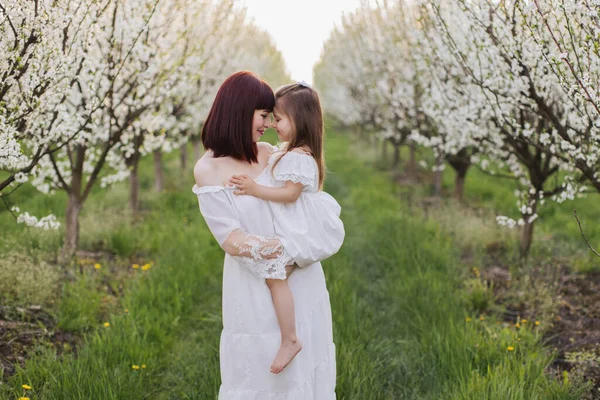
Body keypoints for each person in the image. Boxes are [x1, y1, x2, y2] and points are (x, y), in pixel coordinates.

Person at [192, 71, 341, 399]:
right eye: (263, 116)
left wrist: (293, 249)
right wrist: (271, 252)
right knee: (258, 372)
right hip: (254, 281)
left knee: (302, 374)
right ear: (239, 112)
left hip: (299, 276)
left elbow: (299, 203)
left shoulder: (266, 153)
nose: (268, 125)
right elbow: (228, 237)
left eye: (272, 117)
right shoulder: (208, 169)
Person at [229, 81, 344, 374]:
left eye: (278, 119)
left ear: (300, 120)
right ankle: (288, 336)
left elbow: (289, 194)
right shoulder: (292, 152)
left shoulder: (298, 157)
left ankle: (289, 338)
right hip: (292, 226)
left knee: (275, 276)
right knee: (275, 277)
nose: (272, 125)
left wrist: (255, 189)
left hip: (297, 231)